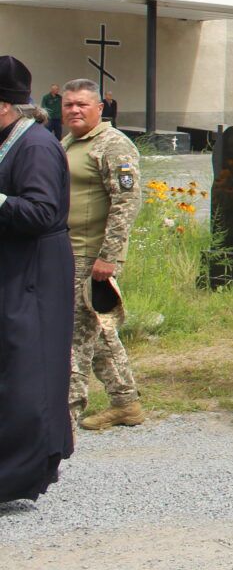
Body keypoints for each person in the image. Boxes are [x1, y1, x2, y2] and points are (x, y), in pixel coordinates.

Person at [0, 57, 75, 504]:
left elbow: (42, 211)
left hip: (36, 270)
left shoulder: (36, 146)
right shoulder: (11, 139)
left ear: (4, 105)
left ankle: (18, 474)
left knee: (29, 370)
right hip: (16, 265)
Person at [59, 78, 145, 430]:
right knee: (97, 332)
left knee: (73, 337)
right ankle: (126, 403)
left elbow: (126, 201)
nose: (74, 110)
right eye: (68, 104)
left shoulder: (113, 145)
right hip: (66, 252)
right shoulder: (69, 142)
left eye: (82, 104)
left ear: (99, 108)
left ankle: (65, 417)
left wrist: (109, 256)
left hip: (90, 256)